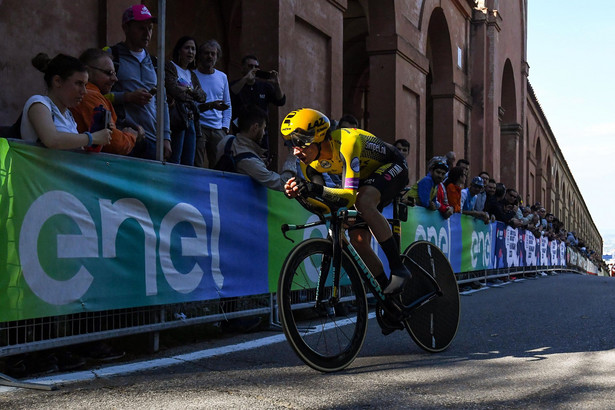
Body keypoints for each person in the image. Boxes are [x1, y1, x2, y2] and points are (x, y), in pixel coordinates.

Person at [281, 108, 411, 297]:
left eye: (300, 142)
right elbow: (322, 199)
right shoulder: (307, 162)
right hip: (366, 179)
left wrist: (313, 189)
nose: (295, 150)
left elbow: (349, 195)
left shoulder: (346, 144)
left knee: (363, 202)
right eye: (290, 143)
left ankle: (399, 269)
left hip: (392, 164)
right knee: (358, 240)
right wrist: (300, 193)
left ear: (318, 137)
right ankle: (388, 295)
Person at [107, 4, 171, 160]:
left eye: (150, 28)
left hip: (152, 140)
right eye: (141, 28)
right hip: (123, 134)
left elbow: (162, 102)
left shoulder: (155, 63)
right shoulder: (110, 56)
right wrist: (127, 97)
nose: (147, 33)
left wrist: (166, 137)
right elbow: (97, 94)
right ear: (126, 28)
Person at [21, 53, 111, 149]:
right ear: (57, 81)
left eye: (85, 85)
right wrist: (92, 138)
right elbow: (52, 140)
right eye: (78, 83)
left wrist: (100, 135)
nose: (84, 91)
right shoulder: (38, 103)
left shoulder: (69, 116)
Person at [70, 48, 140, 155]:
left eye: (114, 73)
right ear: (87, 71)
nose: (115, 79)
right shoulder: (90, 96)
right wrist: (131, 135)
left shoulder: (92, 94)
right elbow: (115, 144)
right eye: (109, 73)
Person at [215, 105, 295, 190]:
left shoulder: (226, 141)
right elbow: (283, 184)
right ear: (255, 127)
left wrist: (259, 162)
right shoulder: (250, 161)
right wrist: (292, 156)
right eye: (263, 128)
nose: (264, 133)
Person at [230, 54, 286, 159]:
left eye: (256, 67)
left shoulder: (264, 87)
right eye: (250, 66)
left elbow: (281, 101)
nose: (254, 69)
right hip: (241, 132)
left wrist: (277, 84)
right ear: (243, 68)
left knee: (262, 159)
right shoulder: (236, 84)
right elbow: (232, 94)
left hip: (261, 132)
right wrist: (246, 79)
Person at [165, 36, 207, 165]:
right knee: (175, 159)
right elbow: (172, 89)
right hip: (177, 118)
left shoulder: (192, 74)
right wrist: (191, 92)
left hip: (191, 119)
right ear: (179, 50)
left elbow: (202, 97)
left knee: (189, 161)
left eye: (193, 49)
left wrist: (186, 89)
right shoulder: (170, 66)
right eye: (187, 48)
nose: (191, 52)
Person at [193, 39, 232, 168]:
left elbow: (227, 104)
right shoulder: (193, 75)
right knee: (197, 163)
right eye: (206, 53)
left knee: (218, 165)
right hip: (199, 126)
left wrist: (225, 127)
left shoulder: (222, 77)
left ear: (217, 57)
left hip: (217, 128)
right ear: (200, 55)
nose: (209, 56)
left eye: (213, 54)